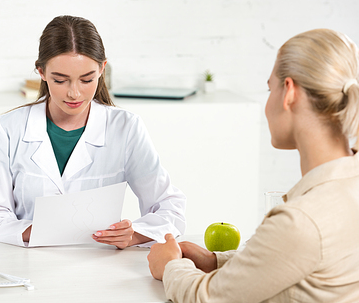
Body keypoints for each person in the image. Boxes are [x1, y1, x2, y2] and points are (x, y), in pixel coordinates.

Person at [147, 28, 359, 302]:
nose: (267, 104)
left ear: (289, 93)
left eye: (270, 88)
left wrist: (170, 266)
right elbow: (291, 259)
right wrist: (216, 261)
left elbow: (204, 298)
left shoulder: (302, 220)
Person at [0, 15, 186, 249]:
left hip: (100, 265)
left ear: (101, 69)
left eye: (86, 80)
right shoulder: (8, 128)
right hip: (28, 264)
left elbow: (170, 207)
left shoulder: (125, 128)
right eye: (60, 80)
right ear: (42, 72)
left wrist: (134, 235)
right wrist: (42, 231)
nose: (74, 93)